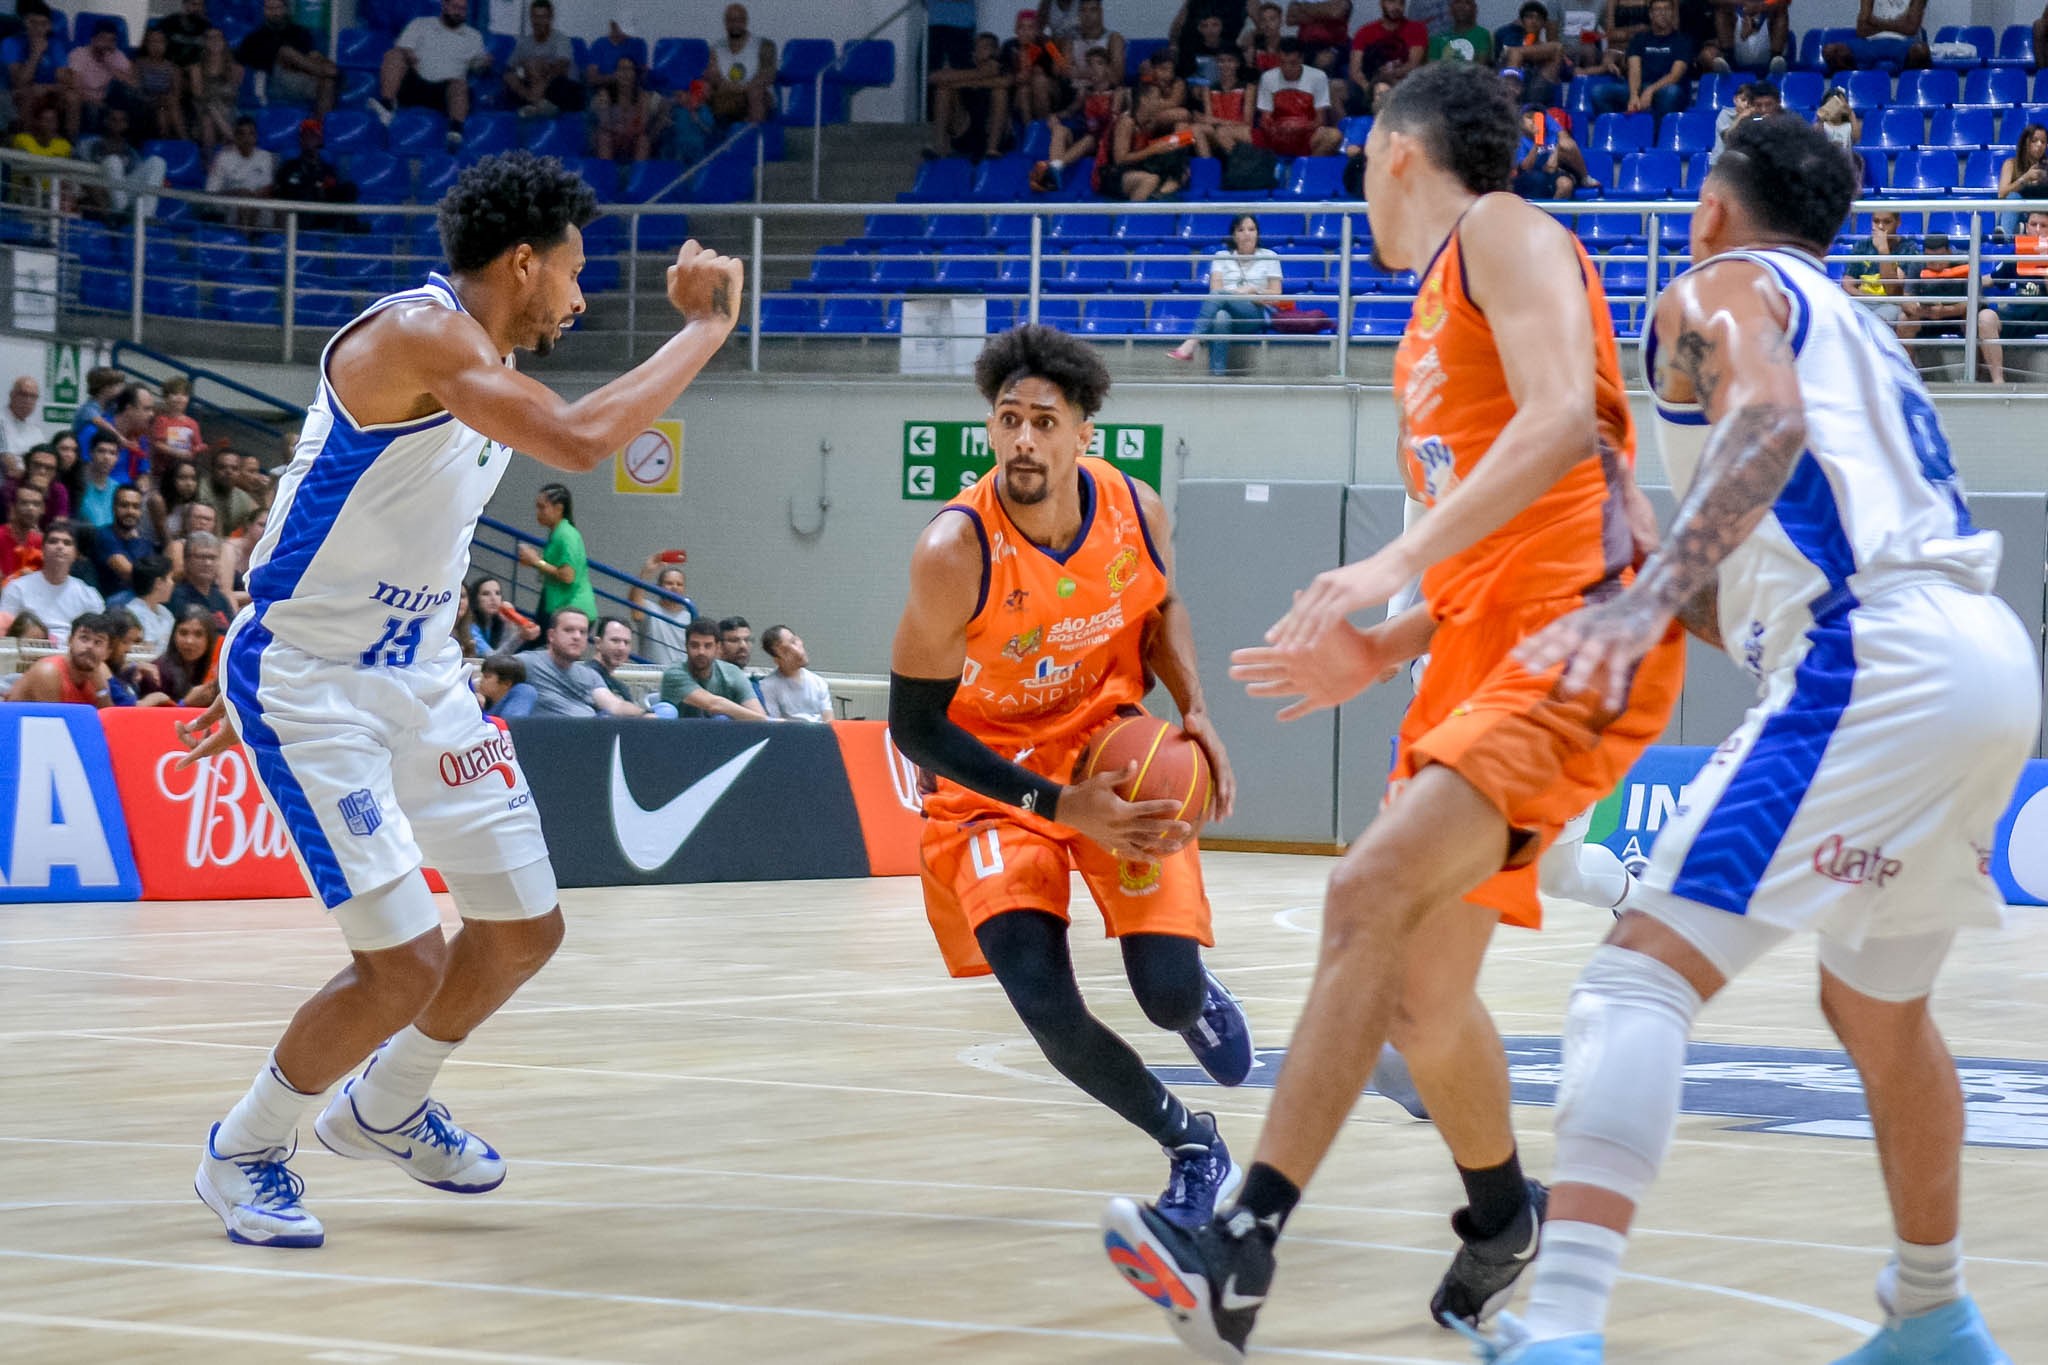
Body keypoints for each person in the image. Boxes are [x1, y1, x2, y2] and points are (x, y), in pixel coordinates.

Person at [1098, 62, 1684, 1358]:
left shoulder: (1505, 230)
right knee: (1419, 999)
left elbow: (1557, 429)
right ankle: (1499, 1213)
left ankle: (1238, 1242)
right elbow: (1500, 511)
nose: (1357, 183)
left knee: (1358, 898)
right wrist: (1392, 642)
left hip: (1572, 638)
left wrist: (1384, 564)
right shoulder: (1426, 309)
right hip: (1480, 648)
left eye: (1362, 159)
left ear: (1397, 153)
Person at [1474, 112, 2034, 1365]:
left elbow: (1764, 422)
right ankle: (1933, 1312)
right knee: (1877, 1010)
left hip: (1874, 657)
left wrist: (1639, 584)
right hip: (1979, 657)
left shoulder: (1720, 285)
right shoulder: (1857, 330)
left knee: (1634, 978)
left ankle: (1560, 1328)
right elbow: (1752, 583)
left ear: (1714, 208)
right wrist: (1647, 566)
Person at [173, 151, 742, 1250]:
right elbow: (579, 439)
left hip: (421, 672)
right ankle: (243, 1151)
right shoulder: (423, 337)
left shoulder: (474, 363)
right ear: (521, 263)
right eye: (573, 275)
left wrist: (261, 610)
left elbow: (318, 499)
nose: (580, 300)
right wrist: (703, 331)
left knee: (525, 928)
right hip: (317, 685)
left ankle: (385, 1107)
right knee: (403, 963)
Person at [889, 323, 1252, 1240]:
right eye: (1007, 420)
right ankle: (1190, 1145)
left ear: (1085, 431)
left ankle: (1193, 999)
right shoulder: (953, 549)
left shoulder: (1138, 508)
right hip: (992, 786)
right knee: (1046, 1003)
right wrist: (1054, 806)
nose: (1022, 440)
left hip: (1109, 749)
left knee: (1164, 991)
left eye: (1043, 422)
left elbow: (1161, 607)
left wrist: (1197, 706)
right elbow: (913, 726)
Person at [370, 0, 489, 153]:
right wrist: (408, 55)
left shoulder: (474, 37)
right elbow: (403, 48)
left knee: (460, 85)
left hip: (446, 92)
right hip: (416, 82)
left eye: (463, 9)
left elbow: (478, 67)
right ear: (445, 5)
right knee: (394, 55)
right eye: (455, 7)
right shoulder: (420, 24)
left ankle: (455, 131)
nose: (458, 12)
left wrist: (484, 63)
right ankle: (387, 107)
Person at [1167, 215, 1280, 372]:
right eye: (1241, 230)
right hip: (1226, 311)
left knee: (1220, 296)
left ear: (1257, 233)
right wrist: (1239, 293)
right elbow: (1215, 290)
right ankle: (1217, 377)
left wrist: (1254, 291)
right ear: (1234, 235)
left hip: (1254, 313)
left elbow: (1276, 294)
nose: (1247, 233)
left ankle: (1191, 342)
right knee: (1220, 317)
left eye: (1251, 229)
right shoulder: (1221, 256)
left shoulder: (1269, 256)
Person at [520, 607, 649, 717]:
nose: (577, 636)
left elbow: (615, 706)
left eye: (583, 632)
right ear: (551, 636)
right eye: (569, 630)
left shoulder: (590, 676)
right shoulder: (528, 662)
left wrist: (647, 714)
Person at [1972, 209, 2048, 386]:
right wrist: (1966, 281)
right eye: (2033, 225)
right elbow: (1990, 279)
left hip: (2044, 313)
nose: (2037, 230)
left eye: (2043, 226)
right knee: (1985, 317)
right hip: (2018, 313)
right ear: (2026, 227)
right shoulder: (2018, 253)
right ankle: (1998, 383)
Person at [1, 521, 107, 643]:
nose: (59, 546)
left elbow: (99, 637)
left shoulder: (90, 595)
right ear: (42, 549)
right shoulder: (16, 588)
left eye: (67, 543)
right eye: (53, 541)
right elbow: (5, 636)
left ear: (76, 554)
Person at [1591, 0, 1692, 116]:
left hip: (1665, 89)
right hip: (1640, 87)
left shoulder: (1683, 41)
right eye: (1658, 10)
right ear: (1651, 15)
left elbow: (1674, 75)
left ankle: (1657, 132)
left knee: (1672, 92)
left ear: (1672, 13)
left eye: (1667, 9)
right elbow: (1634, 70)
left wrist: (1650, 91)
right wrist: (1634, 95)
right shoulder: (1639, 39)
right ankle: (1618, 130)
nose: (1662, 13)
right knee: (1598, 92)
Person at [236, 0, 336, 115]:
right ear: (264, 11)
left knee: (328, 82)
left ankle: (318, 127)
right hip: (274, 81)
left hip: (303, 77)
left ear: (286, 9)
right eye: (270, 8)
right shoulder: (253, 38)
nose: (274, 12)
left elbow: (312, 56)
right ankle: (328, 71)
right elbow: (238, 65)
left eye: (278, 8)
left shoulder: (301, 32)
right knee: (285, 52)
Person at [519, 482, 596, 628]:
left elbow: (568, 575)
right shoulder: (558, 532)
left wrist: (536, 561)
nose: (538, 513)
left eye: (542, 507)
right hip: (558, 605)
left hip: (572, 610)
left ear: (559, 508)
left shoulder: (566, 535)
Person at [660, 616, 767, 718]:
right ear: (686, 646)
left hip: (723, 735)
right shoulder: (674, 673)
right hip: (678, 735)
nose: (701, 652)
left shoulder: (732, 672)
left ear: (718, 647)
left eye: (708, 646)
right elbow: (714, 705)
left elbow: (757, 712)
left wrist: (766, 721)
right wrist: (764, 720)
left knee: (722, 719)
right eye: (694, 645)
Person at [1256, 38, 1342, 158]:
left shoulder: (1318, 77)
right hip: (1277, 136)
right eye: (1282, 63)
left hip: (1306, 136)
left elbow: (1320, 120)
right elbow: (1265, 120)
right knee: (1228, 133)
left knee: (1334, 135)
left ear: (1301, 59)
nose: (1287, 68)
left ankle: (1306, 167)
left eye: (1292, 63)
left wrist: (1298, 126)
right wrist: (1280, 129)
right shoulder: (1268, 77)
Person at [7, 610, 111, 705]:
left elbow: (107, 722)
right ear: (69, 640)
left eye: (98, 642)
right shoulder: (48, 671)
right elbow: (54, 723)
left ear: (107, 653)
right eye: (84, 638)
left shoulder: (101, 672)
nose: (89, 646)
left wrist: (101, 689)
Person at [1841, 208, 1917, 332]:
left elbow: (1892, 291)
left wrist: (1883, 250)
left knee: (1876, 324)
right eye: (1876, 221)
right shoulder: (1862, 245)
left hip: (1890, 305)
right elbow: (1847, 285)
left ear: (1898, 223)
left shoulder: (1908, 248)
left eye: (1887, 222)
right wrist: (1872, 298)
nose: (1880, 226)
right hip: (1862, 301)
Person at [503, 0, 582, 118]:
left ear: (550, 18)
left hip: (559, 87)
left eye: (543, 17)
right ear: (531, 18)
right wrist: (526, 86)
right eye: (535, 17)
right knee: (510, 77)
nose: (539, 22)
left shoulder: (561, 39)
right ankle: (538, 105)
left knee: (539, 67)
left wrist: (541, 74)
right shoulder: (524, 43)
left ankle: (536, 106)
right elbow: (508, 68)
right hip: (532, 90)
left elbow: (562, 66)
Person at [706, 3, 775, 127]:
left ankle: (754, 138)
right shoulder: (715, 49)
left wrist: (741, 89)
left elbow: (767, 75)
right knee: (700, 90)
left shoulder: (764, 45)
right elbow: (714, 77)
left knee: (756, 92)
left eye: (739, 20)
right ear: (725, 22)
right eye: (731, 20)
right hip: (726, 95)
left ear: (746, 21)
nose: (735, 24)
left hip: (756, 96)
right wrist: (729, 88)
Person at [590, 56, 667, 162]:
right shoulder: (605, 95)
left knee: (643, 140)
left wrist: (628, 132)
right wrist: (620, 131)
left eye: (629, 69)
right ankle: (605, 173)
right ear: (615, 73)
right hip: (613, 137)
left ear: (635, 74)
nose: (625, 74)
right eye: (621, 69)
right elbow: (605, 123)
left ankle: (637, 174)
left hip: (632, 138)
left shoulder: (642, 96)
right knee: (604, 138)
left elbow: (642, 126)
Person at [206, 115, 278, 227]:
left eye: (251, 134)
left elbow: (268, 188)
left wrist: (256, 195)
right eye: (242, 134)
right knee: (244, 204)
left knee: (255, 204)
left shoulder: (266, 157)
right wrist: (236, 193)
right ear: (235, 137)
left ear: (256, 137)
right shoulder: (223, 157)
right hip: (232, 208)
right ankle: (245, 240)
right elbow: (211, 192)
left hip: (260, 208)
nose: (247, 139)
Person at [273, 118, 358, 206]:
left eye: (313, 136)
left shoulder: (327, 171)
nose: (309, 140)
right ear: (300, 140)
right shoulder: (288, 168)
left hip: (319, 216)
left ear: (320, 140)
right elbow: (279, 195)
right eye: (305, 136)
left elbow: (332, 200)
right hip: (294, 215)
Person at [627, 556, 694, 665]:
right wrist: (646, 572)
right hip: (651, 674)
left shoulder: (690, 617)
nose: (674, 587)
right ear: (659, 586)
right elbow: (635, 605)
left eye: (679, 584)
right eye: (669, 583)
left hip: (679, 677)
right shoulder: (650, 609)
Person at [758, 624, 831, 721]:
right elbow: (774, 726)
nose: (797, 651)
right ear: (776, 660)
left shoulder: (819, 682)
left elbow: (829, 721)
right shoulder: (767, 686)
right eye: (786, 651)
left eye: (794, 641)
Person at [1349, 0, 1426, 93]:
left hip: (1403, 83)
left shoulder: (1416, 29)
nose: (1396, 7)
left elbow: (1413, 64)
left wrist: (1391, 74)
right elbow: (1355, 70)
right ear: (1382, 3)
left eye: (1401, 3)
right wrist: (1369, 89)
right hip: (1372, 83)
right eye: (1391, 2)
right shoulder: (1364, 32)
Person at [94, 485, 157, 593]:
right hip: (113, 604)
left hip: (142, 600)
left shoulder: (145, 543)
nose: (130, 511)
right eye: (124, 505)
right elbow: (128, 573)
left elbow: (155, 576)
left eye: (136, 507)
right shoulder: (104, 535)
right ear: (113, 508)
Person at [189, 27, 242, 155]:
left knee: (213, 116)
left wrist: (217, 105)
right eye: (210, 38)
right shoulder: (196, 68)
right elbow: (198, 95)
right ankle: (232, 141)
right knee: (208, 117)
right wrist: (214, 106)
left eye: (218, 37)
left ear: (224, 41)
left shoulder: (235, 68)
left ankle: (212, 162)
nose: (214, 41)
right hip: (203, 111)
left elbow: (233, 94)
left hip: (227, 109)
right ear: (205, 42)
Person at [112, 554, 176, 657]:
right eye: (170, 578)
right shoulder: (131, 615)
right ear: (158, 583)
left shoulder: (166, 613)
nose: (173, 583)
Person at [154, 602, 218, 705]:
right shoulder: (157, 673)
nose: (189, 641)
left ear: (210, 639)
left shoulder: (217, 671)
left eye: (198, 634)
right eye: (183, 633)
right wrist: (185, 703)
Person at [171, 529, 235, 629]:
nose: (207, 563)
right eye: (201, 557)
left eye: (212, 558)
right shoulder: (176, 597)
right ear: (186, 560)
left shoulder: (221, 599)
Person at [465, 575, 538, 656]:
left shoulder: (495, 621)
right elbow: (492, 657)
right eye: (486, 594)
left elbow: (504, 651)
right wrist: (520, 637)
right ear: (475, 599)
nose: (493, 598)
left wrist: (509, 623)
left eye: (497, 593)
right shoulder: (469, 625)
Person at [1997, 124, 2048, 237]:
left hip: (2044, 216)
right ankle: (2004, 238)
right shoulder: (2011, 164)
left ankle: (2021, 229)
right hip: (2020, 215)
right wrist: (2025, 178)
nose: (2039, 145)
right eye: (2034, 140)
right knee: (2013, 196)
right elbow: (2002, 194)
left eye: (2043, 142)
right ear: (2025, 142)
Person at [590, 615, 643, 705]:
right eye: (615, 641)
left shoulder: (621, 687)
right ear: (598, 643)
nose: (621, 648)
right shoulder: (584, 678)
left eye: (626, 642)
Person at [151, 377, 206, 463]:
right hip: (162, 469)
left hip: (184, 467)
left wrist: (198, 449)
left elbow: (197, 444)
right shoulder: (161, 420)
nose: (180, 398)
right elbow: (156, 443)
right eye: (175, 394)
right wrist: (176, 453)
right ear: (166, 398)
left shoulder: (192, 423)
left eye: (184, 394)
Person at [153, 0, 215, 71]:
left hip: (197, 70)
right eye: (194, 4)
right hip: (169, 69)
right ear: (185, 4)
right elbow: (154, 44)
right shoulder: (169, 22)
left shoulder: (206, 26)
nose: (199, 8)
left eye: (201, 5)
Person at [1, 375, 50, 463]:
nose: (28, 400)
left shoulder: (36, 430)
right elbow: (9, 466)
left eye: (33, 396)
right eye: (23, 394)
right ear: (12, 395)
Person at [76, 433, 121, 528]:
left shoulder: (118, 489)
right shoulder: (77, 485)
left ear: (117, 458)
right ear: (91, 453)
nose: (106, 457)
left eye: (112, 453)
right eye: (101, 451)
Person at [1430, 0, 1495, 63]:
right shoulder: (1437, 38)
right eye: (1457, 2)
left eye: (1467, 2)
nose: (1461, 6)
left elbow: (1480, 66)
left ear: (1474, 9)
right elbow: (1432, 69)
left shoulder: (1482, 35)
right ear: (1450, 8)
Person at [0, 484, 43, 577]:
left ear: (42, 509)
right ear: (13, 508)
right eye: (24, 503)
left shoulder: (41, 542)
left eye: (36, 504)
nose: (31, 508)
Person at [476, 652, 537, 717]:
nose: (480, 680)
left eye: (487, 677)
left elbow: (511, 722)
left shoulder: (524, 691)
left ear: (506, 683)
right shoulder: (483, 699)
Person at [1813, 82, 1858, 151]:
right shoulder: (1822, 125)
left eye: (1838, 104)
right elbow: (1817, 137)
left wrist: (1851, 113)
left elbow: (1855, 138)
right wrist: (1821, 119)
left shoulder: (1849, 126)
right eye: (1830, 105)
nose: (1834, 109)